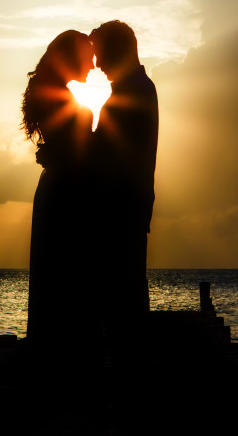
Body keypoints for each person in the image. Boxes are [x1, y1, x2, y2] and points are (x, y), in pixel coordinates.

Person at [21, 30, 95, 342]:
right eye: (88, 58)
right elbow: (75, 152)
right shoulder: (58, 99)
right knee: (64, 277)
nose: (92, 66)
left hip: (59, 189)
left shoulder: (53, 94)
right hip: (64, 195)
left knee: (56, 279)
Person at [89, 20, 159, 319]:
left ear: (121, 51)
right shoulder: (133, 90)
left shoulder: (133, 93)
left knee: (124, 304)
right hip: (126, 212)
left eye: (102, 53)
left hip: (121, 214)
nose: (97, 64)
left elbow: (109, 156)